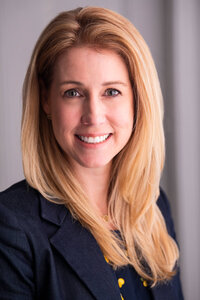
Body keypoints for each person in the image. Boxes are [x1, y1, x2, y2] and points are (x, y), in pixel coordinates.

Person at [0, 6, 184, 300]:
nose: (94, 116)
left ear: (137, 99)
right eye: (73, 92)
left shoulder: (154, 205)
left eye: (111, 91)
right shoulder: (10, 223)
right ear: (46, 99)